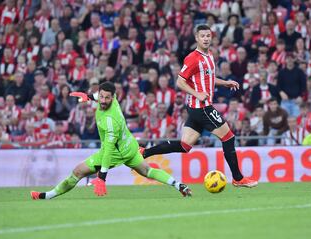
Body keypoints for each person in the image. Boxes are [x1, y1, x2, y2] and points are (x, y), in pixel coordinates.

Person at [141, 25, 258, 188]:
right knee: (229, 137)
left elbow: (208, 77)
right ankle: (238, 178)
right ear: (197, 38)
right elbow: (180, 82)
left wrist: (225, 83)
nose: (206, 39)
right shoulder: (192, 58)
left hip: (196, 108)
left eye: (208, 36)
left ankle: (145, 152)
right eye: (202, 36)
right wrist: (197, 94)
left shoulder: (209, 55)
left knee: (185, 145)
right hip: (202, 107)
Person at [31, 82, 192, 200]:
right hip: (130, 146)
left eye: (106, 98)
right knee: (147, 171)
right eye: (101, 96)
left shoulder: (110, 120)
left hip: (116, 152)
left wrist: (102, 177)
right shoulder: (112, 101)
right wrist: (88, 96)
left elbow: (108, 150)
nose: (102, 100)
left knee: (78, 171)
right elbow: (98, 96)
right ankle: (179, 185)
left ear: (113, 98)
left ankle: (47, 196)